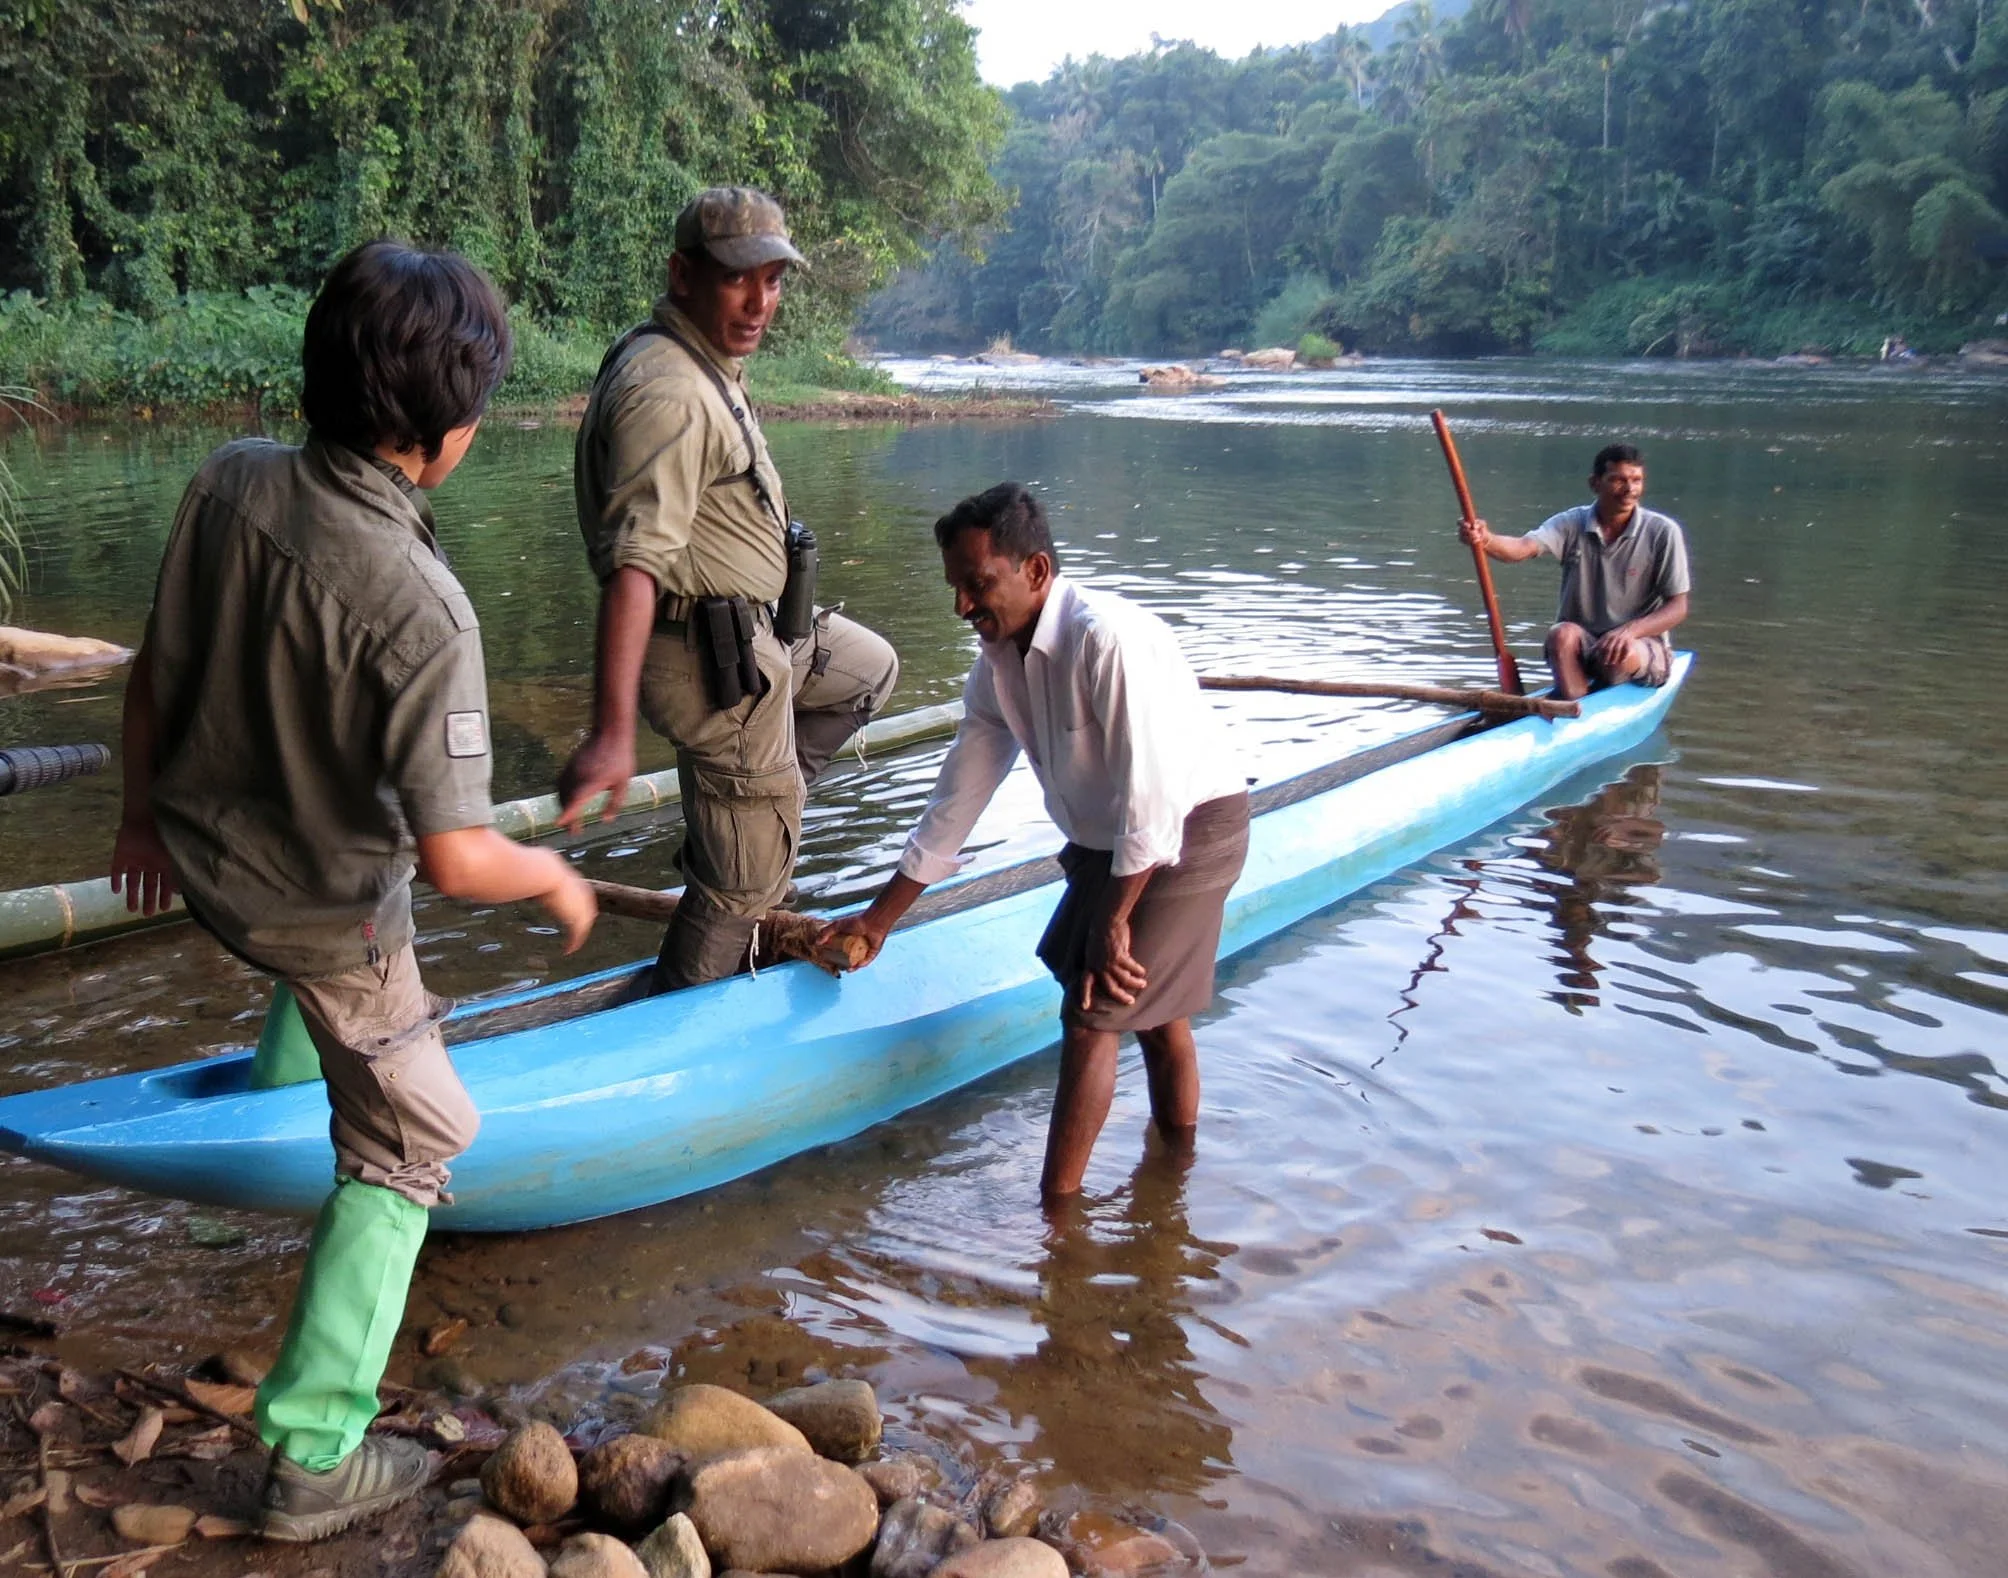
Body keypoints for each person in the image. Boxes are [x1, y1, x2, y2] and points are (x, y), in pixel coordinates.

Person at [108, 239, 597, 1542]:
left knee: (347, 975)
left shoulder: (228, 481)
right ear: (446, 432)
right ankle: (313, 1449)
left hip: (202, 853)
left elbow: (154, 673)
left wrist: (134, 811)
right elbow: (454, 859)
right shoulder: (426, 614)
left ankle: (280, 1108)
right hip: (323, 912)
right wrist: (549, 872)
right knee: (423, 1136)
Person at [822, 483, 1249, 1205]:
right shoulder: (997, 664)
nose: (962, 606)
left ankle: (1058, 1217)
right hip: (1110, 845)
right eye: (956, 587)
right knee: (1154, 1014)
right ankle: (1174, 1168)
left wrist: (1113, 921)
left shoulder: (1104, 639)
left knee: (1092, 1011)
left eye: (977, 584)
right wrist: (879, 918)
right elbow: (958, 796)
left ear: (1037, 571)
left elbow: (1151, 800)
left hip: (1186, 831)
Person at [561, 187, 899, 989]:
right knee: (745, 887)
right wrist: (610, 735)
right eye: (739, 280)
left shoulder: (704, 360)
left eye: (775, 280)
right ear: (684, 275)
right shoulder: (671, 393)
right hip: (709, 659)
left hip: (761, 635)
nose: (760, 302)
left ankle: (746, 822)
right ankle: (682, 1015)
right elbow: (634, 565)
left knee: (870, 669)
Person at [1459, 442, 1691, 700]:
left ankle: (1590, 695)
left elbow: (1678, 607)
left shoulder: (1663, 532)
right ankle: (1574, 706)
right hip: (1585, 647)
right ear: (1595, 484)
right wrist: (1485, 539)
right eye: (1618, 480)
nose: (1629, 490)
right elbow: (1523, 548)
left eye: (1636, 480)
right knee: (1561, 635)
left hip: (1639, 646)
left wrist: (1630, 632)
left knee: (1616, 657)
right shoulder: (1572, 523)